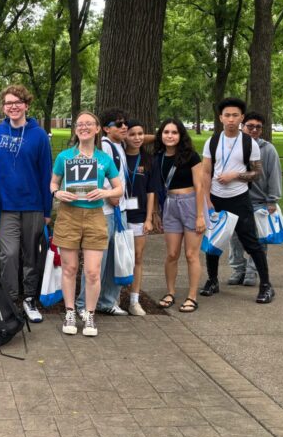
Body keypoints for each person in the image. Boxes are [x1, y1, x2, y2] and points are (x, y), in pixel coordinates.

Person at [0, 85, 53, 323]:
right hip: (6, 206)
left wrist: (47, 210)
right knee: (8, 254)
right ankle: (10, 300)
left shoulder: (38, 135)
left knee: (31, 255)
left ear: (26, 105)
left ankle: (29, 299)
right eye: (8, 103)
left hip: (33, 205)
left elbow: (46, 174)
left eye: (17, 102)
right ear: (4, 107)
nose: (13, 106)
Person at [51, 111, 124, 338]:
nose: (84, 127)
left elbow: (119, 189)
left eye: (88, 124)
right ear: (75, 130)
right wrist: (58, 193)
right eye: (80, 124)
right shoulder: (64, 157)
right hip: (69, 215)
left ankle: (89, 313)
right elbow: (53, 183)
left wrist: (105, 192)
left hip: (95, 216)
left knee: (92, 272)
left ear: (97, 129)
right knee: (70, 268)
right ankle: (70, 311)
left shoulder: (104, 159)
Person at [199, 97, 275, 304]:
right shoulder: (212, 141)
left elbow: (257, 173)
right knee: (214, 241)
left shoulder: (249, 143)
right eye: (227, 115)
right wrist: (207, 199)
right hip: (216, 198)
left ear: (241, 117)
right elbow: (205, 172)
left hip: (239, 198)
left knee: (251, 243)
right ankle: (212, 280)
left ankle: (266, 285)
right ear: (220, 117)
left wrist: (235, 176)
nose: (231, 119)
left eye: (235, 115)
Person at [145, 118, 208, 313]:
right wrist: (155, 212)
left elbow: (200, 187)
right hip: (170, 206)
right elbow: (154, 187)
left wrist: (199, 215)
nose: (170, 136)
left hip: (190, 204)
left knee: (191, 254)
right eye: (166, 132)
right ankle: (170, 292)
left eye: (174, 132)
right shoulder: (158, 157)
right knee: (172, 254)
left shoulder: (191, 156)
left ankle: (191, 296)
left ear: (181, 135)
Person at [76, 108, 129, 318]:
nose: (124, 127)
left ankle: (107, 301)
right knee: (96, 262)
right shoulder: (104, 148)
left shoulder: (119, 146)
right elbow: (98, 176)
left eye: (125, 123)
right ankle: (83, 304)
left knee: (113, 260)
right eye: (119, 124)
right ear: (104, 129)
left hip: (119, 210)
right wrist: (109, 195)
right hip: (104, 211)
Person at [227, 111, 283, 287]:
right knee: (234, 238)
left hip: (258, 202)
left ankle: (253, 271)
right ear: (242, 126)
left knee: (258, 240)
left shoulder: (268, 149)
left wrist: (272, 200)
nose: (254, 130)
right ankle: (238, 269)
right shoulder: (231, 147)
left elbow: (274, 175)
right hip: (235, 199)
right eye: (250, 126)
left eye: (258, 127)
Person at [122, 120, 150, 315]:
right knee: (118, 256)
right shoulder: (118, 155)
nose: (137, 138)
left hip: (140, 215)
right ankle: (113, 297)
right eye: (132, 134)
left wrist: (149, 217)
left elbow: (151, 191)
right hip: (120, 214)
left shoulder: (148, 159)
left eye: (141, 134)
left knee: (137, 258)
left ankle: (134, 300)